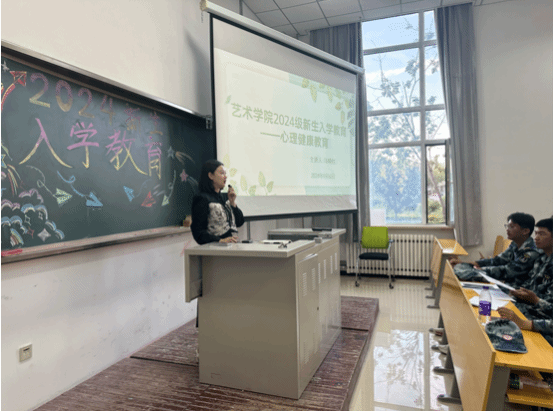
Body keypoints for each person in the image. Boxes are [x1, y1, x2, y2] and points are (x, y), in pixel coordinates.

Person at [498, 217, 553, 345]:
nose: (536, 238)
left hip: (543, 323)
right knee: (494, 318)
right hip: (532, 311)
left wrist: (535, 301)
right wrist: (518, 292)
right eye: (536, 233)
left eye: (542, 234)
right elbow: (531, 284)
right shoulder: (541, 258)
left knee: (505, 336)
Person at [451, 212, 540, 287]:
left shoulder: (530, 252)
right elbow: (497, 260)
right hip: (505, 284)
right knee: (461, 270)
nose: (507, 230)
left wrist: (478, 270)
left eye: (512, 227)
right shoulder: (515, 244)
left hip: (517, 290)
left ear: (525, 231)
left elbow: (506, 271)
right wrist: (469, 263)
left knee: (465, 276)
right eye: (507, 226)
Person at [191, 159, 245, 245]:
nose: (225, 176)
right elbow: (198, 233)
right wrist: (219, 240)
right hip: (215, 249)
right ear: (211, 175)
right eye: (222, 173)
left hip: (232, 246)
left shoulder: (225, 197)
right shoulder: (202, 198)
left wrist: (233, 203)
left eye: (225, 173)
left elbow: (239, 222)